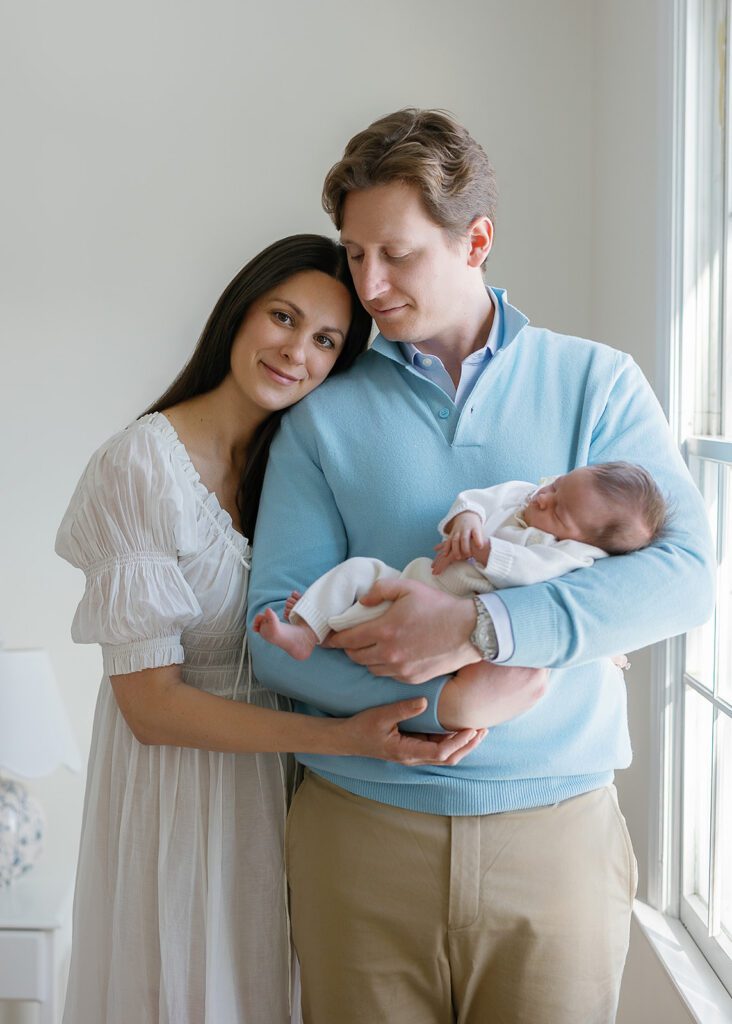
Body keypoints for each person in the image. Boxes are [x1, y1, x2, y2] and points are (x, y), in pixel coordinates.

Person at [247, 112, 715, 1024]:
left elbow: (686, 575)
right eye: (355, 254)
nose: (369, 285)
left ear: (477, 240)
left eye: (398, 254)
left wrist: (483, 630)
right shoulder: (319, 415)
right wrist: (448, 701)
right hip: (359, 835)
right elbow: (274, 633)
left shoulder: (599, 384)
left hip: (558, 840)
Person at [55, 234, 489, 1024]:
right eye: (283, 318)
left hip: (295, 797)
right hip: (185, 797)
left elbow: (395, 590)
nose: (296, 352)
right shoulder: (141, 468)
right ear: (238, 314)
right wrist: (347, 738)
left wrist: (537, 623)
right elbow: (149, 708)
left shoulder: (293, 465)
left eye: (325, 340)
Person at [252, 463, 668, 674]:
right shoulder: (525, 495)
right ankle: (309, 628)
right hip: (417, 578)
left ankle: (324, 628)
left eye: (558, 510)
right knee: (360, 570)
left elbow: (533, 572)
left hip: (461, 616)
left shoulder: (570, 554)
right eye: (556, 484)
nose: (543, 498)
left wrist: (488, 551)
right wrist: (466, 519)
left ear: (586, 542)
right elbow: (475, 500)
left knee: (383, 625)